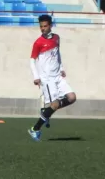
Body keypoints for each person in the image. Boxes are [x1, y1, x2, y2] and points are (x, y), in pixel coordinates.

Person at [28, 14, 77, 142]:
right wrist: (36, 76)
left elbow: (57, 55)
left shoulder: (56, 38)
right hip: (47, 78)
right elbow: (32, 60)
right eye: (41, 27)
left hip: (57, 76)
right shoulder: (38, 43)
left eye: (45, 26)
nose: (42, 29)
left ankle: (46, 111)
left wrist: (61, 68)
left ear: (50, 26)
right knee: (54, 105)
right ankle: (35, 128)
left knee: (72, 97)